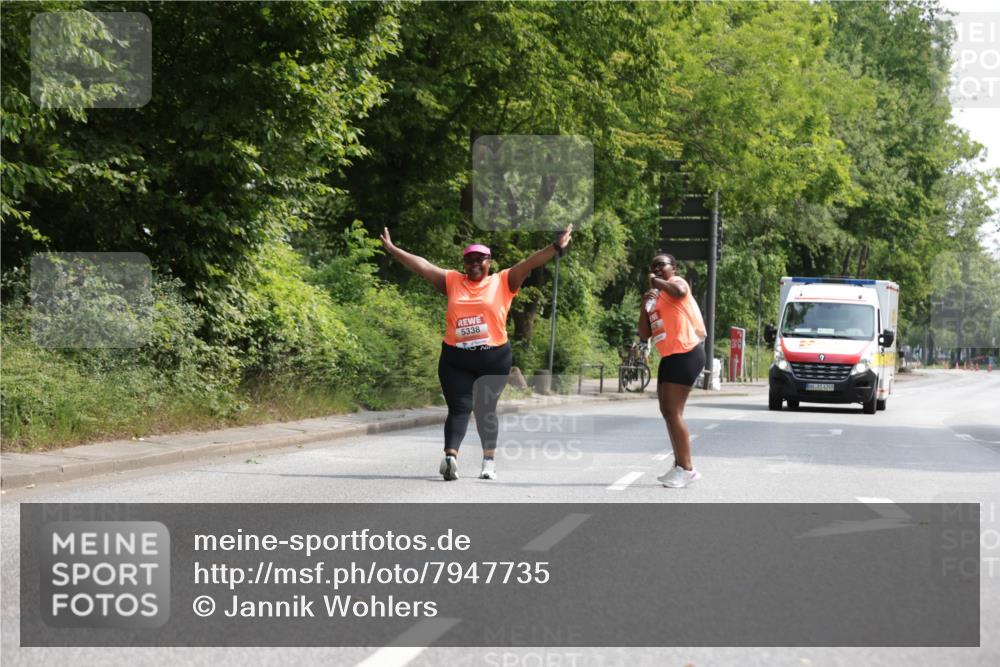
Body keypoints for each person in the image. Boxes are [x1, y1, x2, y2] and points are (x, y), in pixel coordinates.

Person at [380, 225, 573, 481]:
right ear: (464, 264)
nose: (474, 264)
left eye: (479, 260)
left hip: (493, 358)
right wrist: (394, 250)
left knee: (485, 410)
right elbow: (423, 266)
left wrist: (556, 247)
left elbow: (529, 263)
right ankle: (450, 458)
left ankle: (488, 461)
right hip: (456, 358)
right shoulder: (452, 281)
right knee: (459, 408)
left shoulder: (504, 281)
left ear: (489, 262)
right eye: (469, 260)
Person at [638, 253, 707, 488]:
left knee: (673, 411)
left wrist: (655, 282)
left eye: (662, 265)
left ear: (673, 268)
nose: (657, 268)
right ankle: (680, 465)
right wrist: (645, 304)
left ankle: (687, 468)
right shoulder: (655, 298)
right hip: (669, 356)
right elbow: (645, 333)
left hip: (686, 353)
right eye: (653, 265)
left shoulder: (678, 284)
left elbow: (678, 293)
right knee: (667, 411)